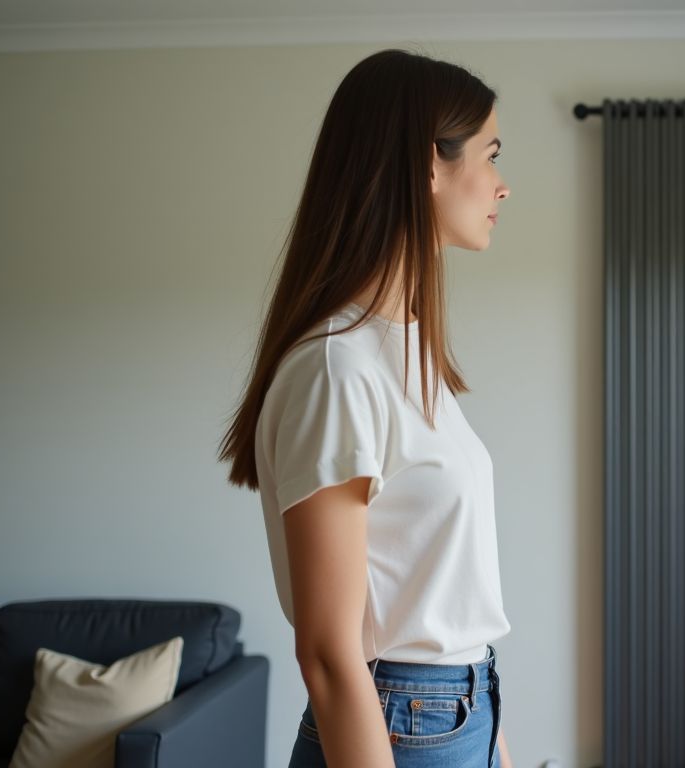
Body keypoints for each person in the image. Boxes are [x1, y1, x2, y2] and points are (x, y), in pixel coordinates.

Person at [217, 47, 513, 768]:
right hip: (397, 726)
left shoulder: (404, 352)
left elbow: (451, 607)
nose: (503, 187)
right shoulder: (335, 368)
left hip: (458, 707)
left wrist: (494, 742)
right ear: (428, 166)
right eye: (491, 155)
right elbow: (327, 653)